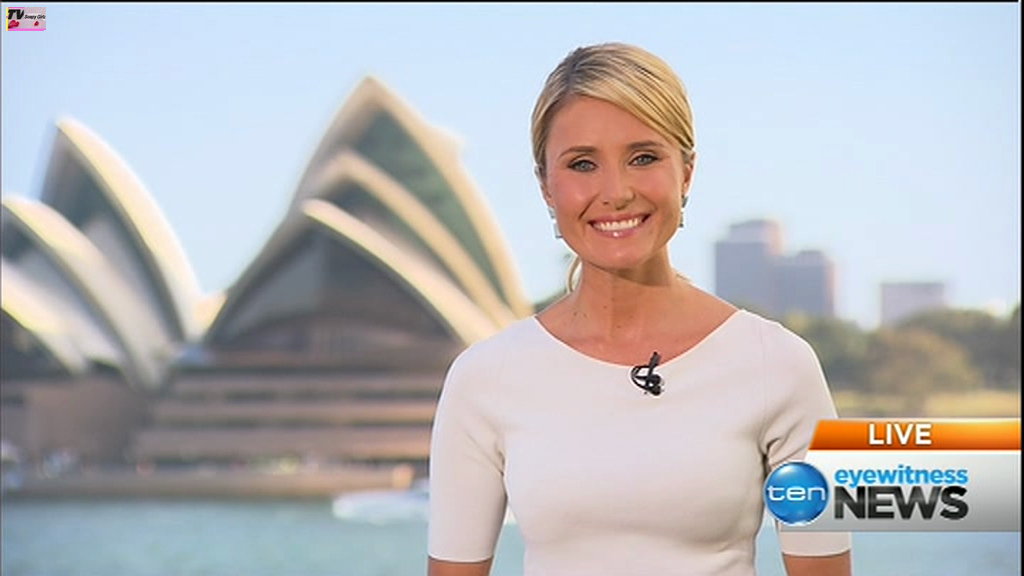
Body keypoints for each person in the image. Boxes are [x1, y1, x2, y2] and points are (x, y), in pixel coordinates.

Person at [427, 42, 852, 576]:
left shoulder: (780, 364)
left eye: (644, 158)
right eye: (583, 164)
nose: (617, 192)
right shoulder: (484, 377)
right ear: (545, 187)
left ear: (687, 172)